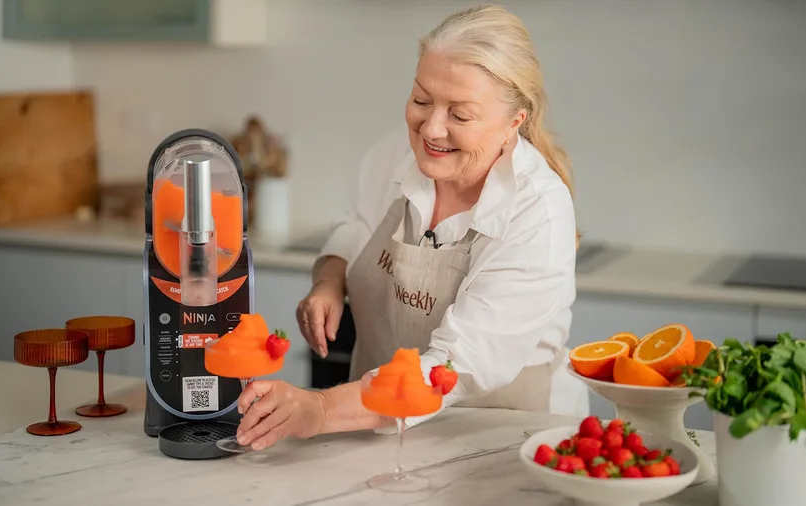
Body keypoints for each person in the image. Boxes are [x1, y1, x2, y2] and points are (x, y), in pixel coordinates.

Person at [235, 5, 589, 451]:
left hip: (496, 444)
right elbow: (355, 227)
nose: (431, 129)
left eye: (459, 114)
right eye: (422, 100)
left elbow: (452, 367)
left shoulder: (538, 212)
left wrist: (321, 409)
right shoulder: (394, 157)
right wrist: (329, 281)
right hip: (368, 429)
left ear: (513, 123)